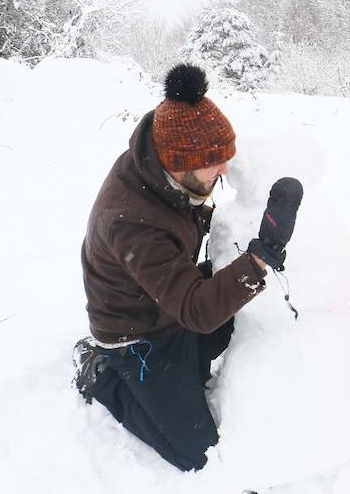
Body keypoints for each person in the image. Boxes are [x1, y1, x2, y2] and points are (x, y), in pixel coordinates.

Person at [73, 63, 302, 471]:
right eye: (215, 163)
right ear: (182, 163)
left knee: (236, 319)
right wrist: (258, 259)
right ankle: (101, 376)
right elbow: (197, 311)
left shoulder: (160, 166)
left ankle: (182, 370)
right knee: (197, 453)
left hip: (165, 297)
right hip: (138, 336)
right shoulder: (131, 220)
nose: (225, 171)